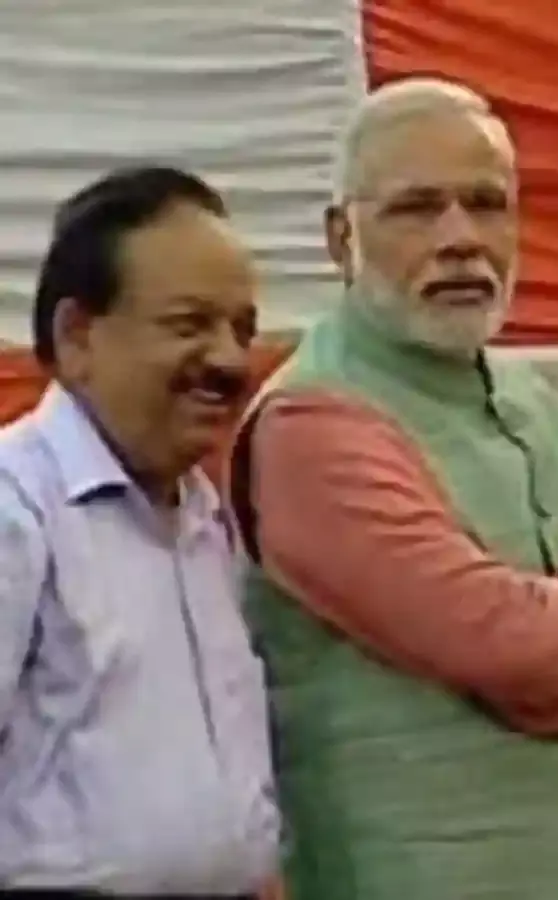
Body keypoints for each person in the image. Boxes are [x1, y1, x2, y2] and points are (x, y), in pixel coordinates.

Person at [225, 76, 558, 900]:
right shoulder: (312, 425)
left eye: (486, 204)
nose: (461, 239)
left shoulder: (538, 407)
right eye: (417, 209)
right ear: (340, 238)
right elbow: (497, 636)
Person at [0, 167, 279, 896]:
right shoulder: (16, 506)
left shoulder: (205, 518)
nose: (229, 360)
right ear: (77, 336)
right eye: (190, 325)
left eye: (242, 330)